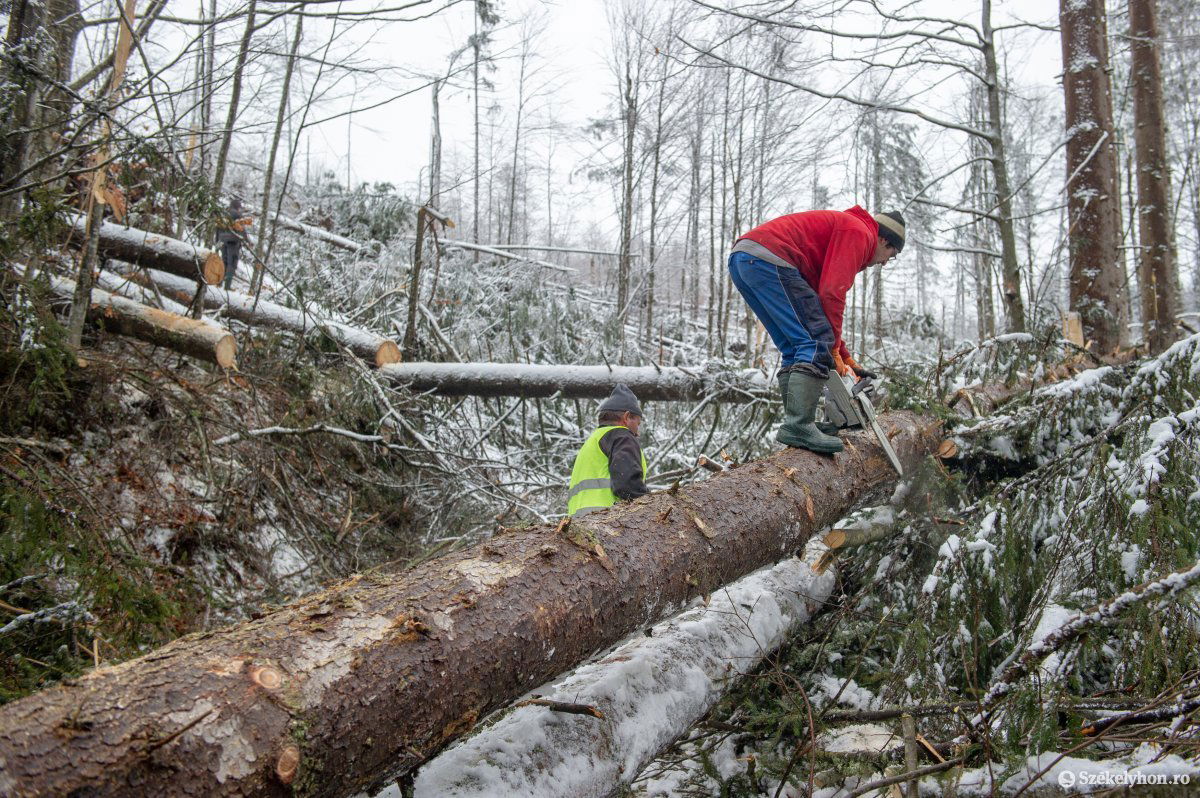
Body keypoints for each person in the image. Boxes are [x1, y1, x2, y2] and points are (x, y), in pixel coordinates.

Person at [728, 207, 905, 454]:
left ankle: (800, 424)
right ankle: (799, 426)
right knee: (812, 345)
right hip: (770, 259)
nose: (886, 262)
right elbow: (832, 293)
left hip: (745, 259)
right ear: (884, 239)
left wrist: (843, 355)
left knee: (796, 345)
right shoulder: (860, 233)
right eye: (891, 253)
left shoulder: (846, 231)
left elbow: (816, 309)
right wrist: (831, 349)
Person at [567, 384, 650, 517]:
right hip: (607, 522)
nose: (638, 432)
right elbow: (628, 484)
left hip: (578, 523)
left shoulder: (593, 440)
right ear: (627, 417)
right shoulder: (621, 436)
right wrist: (651, 508)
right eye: (637, 424)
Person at [216, 196, 253, 290]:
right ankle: (227, 287)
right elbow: (242, 230)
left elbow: (218, 228)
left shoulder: (224, 214)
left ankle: (218, 283)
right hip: (233, 242)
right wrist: (248, 241)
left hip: (223, 241)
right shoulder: (237, 215)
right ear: (238, 207)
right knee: (231, 264)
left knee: (224, 262)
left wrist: (217, 242)